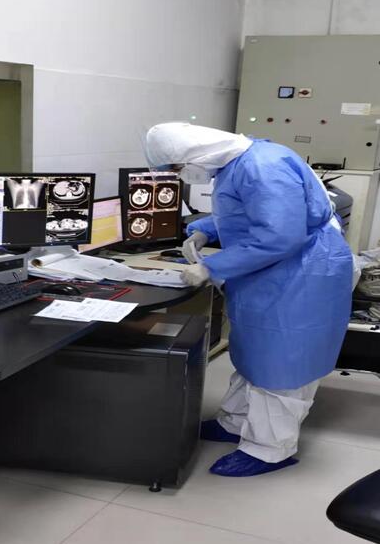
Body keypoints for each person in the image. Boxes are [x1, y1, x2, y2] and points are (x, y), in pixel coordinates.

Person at [145, 122, 352, 477]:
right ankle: (236, 421)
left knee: (281, 365)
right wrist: (203, 230)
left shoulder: (262, 166)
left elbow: (279, 236)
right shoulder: (237, 163)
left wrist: (211, 266)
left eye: (177, 168)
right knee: (255, 354)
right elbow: (246, 211)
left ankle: (269, 449)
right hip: (271, 275)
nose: (179, 175)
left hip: (300, 275)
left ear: (194, 155)